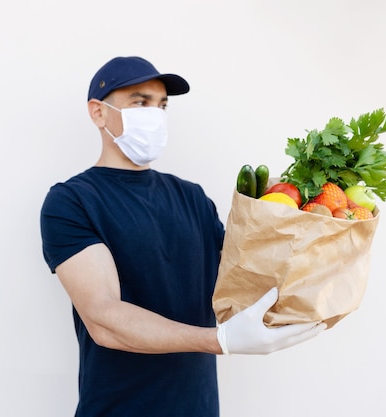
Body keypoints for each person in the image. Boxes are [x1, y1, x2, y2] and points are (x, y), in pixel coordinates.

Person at [39, 56, 326, 417]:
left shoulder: (192, 197)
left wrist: (286, 214)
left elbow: (241, 280)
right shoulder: (72, 200)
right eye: (140, 102)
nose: (155, 115)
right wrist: (217, 340)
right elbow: (103, 318)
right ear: (99, 113)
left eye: (162, 105)